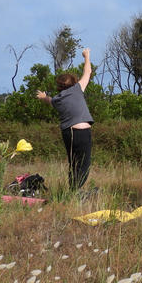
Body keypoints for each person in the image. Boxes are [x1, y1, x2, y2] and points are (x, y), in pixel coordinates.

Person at [36, 48, 94, 190]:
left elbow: (49, 100)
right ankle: (75, 192)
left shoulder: (57, 99)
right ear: (73, 83)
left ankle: (73, 191)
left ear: (59, 86)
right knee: (84, 164)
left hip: (68, 133)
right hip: (82, 132)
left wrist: (43, 97)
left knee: (73, 163)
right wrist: (86, 56)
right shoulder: (77, 89)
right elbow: (88, 72)